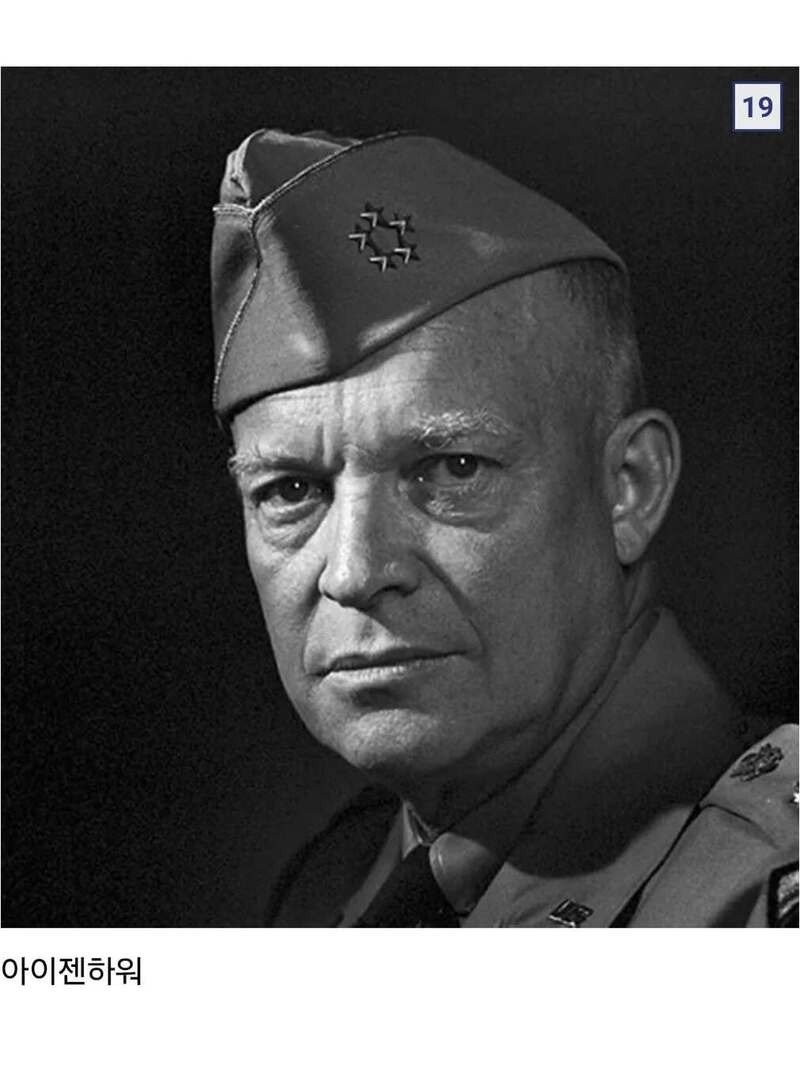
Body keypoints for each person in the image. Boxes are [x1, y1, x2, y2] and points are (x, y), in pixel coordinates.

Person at [210, 128, 798, 927]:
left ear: (628, 488)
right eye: (290, 489)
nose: (353, 570)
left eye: (452, 469)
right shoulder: (333, 886)